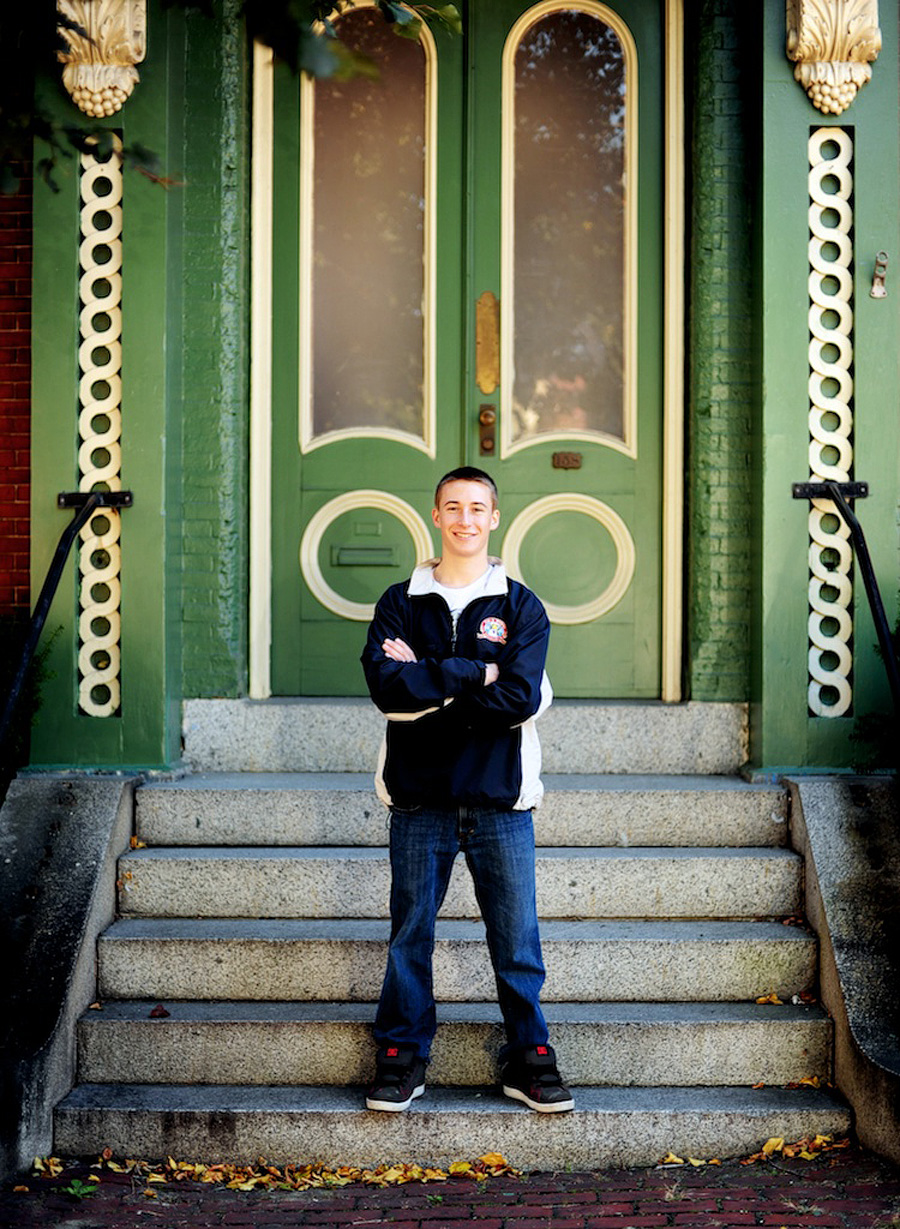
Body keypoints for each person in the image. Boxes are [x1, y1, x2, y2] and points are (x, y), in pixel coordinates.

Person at [360, 466, 573, 1114]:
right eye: (453, 507)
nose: (465, 518)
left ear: (494, 517)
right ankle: (402, 1053)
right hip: (419, 799)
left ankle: (529, 1057)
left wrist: (430, 681)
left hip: (500, 800)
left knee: (516, 941)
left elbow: (518, 697)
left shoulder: (519, 604)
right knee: (409, 936)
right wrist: (471, 671)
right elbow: (385, 689)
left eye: (477, 507)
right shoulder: (401, 600)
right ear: (436, 515)